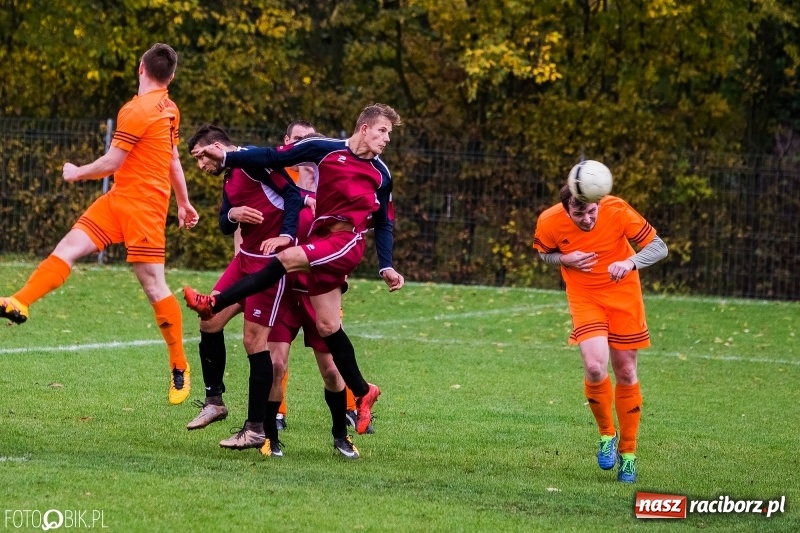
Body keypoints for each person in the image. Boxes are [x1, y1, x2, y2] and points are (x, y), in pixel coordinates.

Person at [184, 103, 404, 436]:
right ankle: (363, 391)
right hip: (317, 247)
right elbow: (273, 157)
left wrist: (386, 263)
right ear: (364, 128)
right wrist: (228, 159)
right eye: (383, 131)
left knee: (283, 268)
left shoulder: (382, 174)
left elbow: (385, 222)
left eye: (389, 133)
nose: (386, 139)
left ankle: (215, 302)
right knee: (329, 326)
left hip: (345, 242)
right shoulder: (326, 150)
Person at [0, 43, 199, 405]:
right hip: (118, 201)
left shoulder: (137, 110)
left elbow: (111, 162)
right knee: (68, 247)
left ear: (141, 68)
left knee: (154, 285)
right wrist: (184, 203)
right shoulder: (170, 107)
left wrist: (77, 173)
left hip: (145, 209)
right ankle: (20, 300)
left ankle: (180, 366)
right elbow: (172, 158)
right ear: (170, 76)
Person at [533, 182, 668, 483]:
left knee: (626, 372)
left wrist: (630, 261)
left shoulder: (616, 209)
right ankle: (607, 434)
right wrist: (563, 259)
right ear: (566, 209)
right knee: (595, 367)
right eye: (579, 213)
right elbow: (544, 253)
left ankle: (629, 454)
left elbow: (659, 247)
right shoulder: (549, 220)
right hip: (585, 297)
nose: (587, 219)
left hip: (623, 294)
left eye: (592, 211)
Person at [184, 124, 303, 457]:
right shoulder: (229, 173)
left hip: (270, 265)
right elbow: (225, 222)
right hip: (243, 262)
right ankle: (214, 402)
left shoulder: (251, 161)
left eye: (200, 157)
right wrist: (232, 214)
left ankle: (255, 429)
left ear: (217, 147)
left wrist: (288, 237)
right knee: (208, 319)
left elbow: (293, 195)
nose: (199, 165)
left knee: (254, 342)